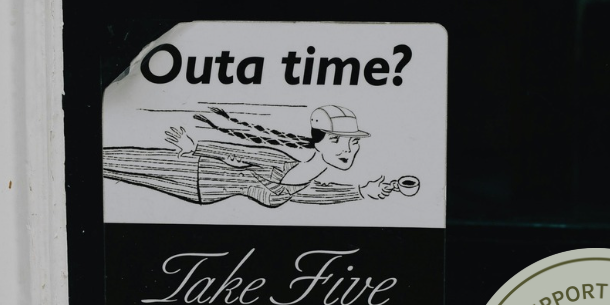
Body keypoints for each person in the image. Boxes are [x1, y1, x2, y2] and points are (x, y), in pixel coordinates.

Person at [102, 105, 403, 207]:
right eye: (337, 139)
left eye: (352, 141)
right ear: (319, 142)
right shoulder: (279, 161)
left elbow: (318, 195)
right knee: (112, 161)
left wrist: (362, 192)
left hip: (200, 192)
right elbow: (236, 151)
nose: (347, 149)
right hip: (195, 166)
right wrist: (196, 147)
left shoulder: (303, 185)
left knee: (112, 173)